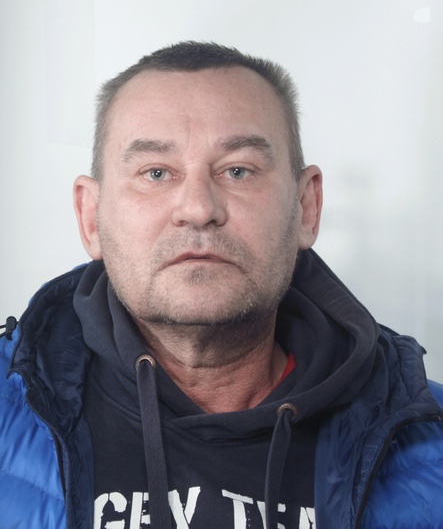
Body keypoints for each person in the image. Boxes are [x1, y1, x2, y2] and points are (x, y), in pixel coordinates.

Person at [1, 41, 442, 529]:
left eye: (238, 170)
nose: (198, 208)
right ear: (91, 217)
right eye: (155, 173)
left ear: (306, 207)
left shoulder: (430, 438)